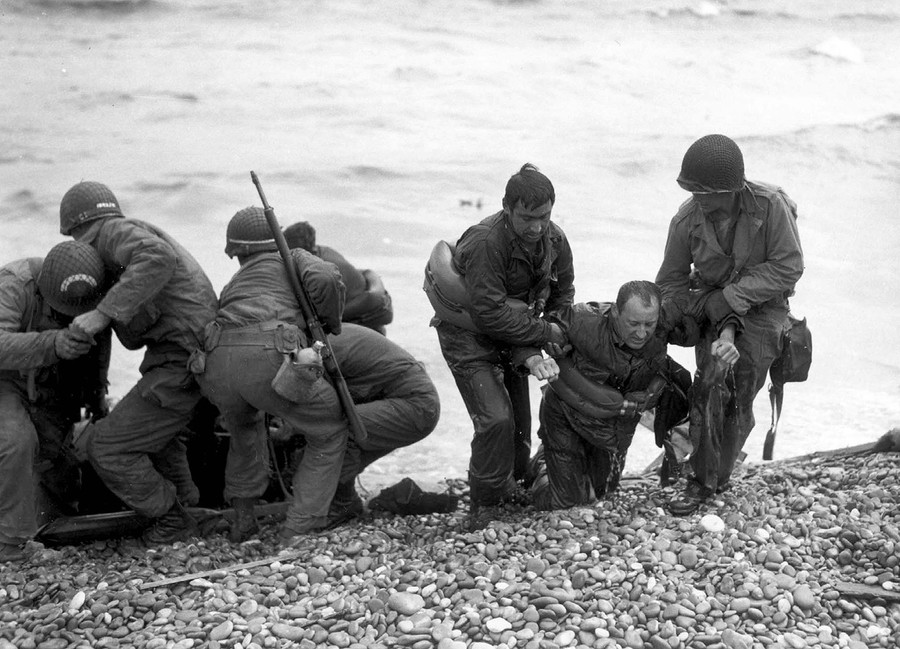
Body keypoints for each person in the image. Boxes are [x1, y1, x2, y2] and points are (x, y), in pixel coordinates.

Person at [58, 181, 218, 543]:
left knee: (106, 447)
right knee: (159, 437)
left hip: (183, 358)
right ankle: (186, 507)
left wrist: (101, 314)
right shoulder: (121, 237)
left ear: (76, 229)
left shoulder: (113, 232)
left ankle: (172, 520)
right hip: (182, 355)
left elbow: (157, 257)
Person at [655, 134, 804, 515]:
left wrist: (733, 298)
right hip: (711, 304)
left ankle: (715, 474)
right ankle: (703, 476)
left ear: (733, 189)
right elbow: (669, 282)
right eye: (693, 191)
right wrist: (683, 314)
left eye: (707, 193)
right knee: (708, 387)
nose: (699, 200)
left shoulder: (771, 207)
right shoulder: (686, 219)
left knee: (739, 395)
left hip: (763, 311)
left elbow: (789, 267)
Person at [196, 207, 350, 543]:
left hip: (217, 363)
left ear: (237, 252)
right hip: (268, 356)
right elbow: (327, 277)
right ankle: (300, 529)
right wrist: (329, 324)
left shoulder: (235, 283)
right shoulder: (291, 257)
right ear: (276, 239)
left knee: (244, 432)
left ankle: (243, 521)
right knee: (329, 427)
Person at [429, 163, 574, 511]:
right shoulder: (486, 243)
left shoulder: (554, 239)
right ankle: (485, 503)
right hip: (468, 336)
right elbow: (489, 314)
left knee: (521, 426)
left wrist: (556, 329)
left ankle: (516, 485)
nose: (537, 227)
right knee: (495, 420)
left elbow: (564, 292)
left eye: (544, 216)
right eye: (527, 218)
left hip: (517, 334)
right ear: (507, 208)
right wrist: (543, 333)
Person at [527, 281, 696, 510]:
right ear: (616, 312)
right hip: (566, 416)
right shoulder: (583, 320)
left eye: (649, 324)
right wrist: (537, 357)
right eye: (633, 323)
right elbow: (534, 331)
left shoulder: (664, 324)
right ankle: (541, 463)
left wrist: (724, 336)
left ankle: (568, 465)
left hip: (613, 427)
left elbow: (700, 321)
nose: (641, 333)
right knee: (566, 501)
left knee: (602, 491)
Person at [0, 241, 110, 562]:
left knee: (58, 458)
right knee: (16, 442)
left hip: (46, 381)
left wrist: (96, 394)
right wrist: (54, 344)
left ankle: (53, 531)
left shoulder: (93, 292)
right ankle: (8, 545)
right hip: (5, 379)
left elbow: (100, 343)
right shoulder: (14, 284)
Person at [273, 322, 441, 527]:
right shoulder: (323, 339)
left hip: (416, 406)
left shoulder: (322, 352)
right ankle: (343, 501)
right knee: (339, 438)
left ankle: (343, 503)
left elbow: (324, 414)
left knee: (338, 431)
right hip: (407, 402)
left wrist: (290, 427)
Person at [283, 221, 393, 335]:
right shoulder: (321, 251)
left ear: (311, 251)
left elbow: (325, 313)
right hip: (364, 303)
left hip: (365, 315)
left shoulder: (322, 270)